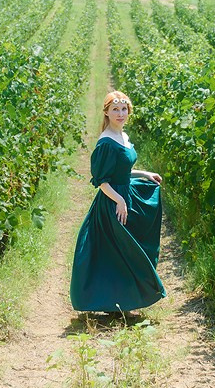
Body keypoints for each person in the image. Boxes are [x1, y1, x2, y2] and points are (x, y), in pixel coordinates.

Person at [70, 90, 167, 314]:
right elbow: (102, 181)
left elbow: (123, 171)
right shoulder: (105, 142)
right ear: (106, 112)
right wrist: (119, 200)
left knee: (127, 252)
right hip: (112, 202)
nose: (120, 113)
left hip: (125, 196)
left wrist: (145, 175)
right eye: (115, 109)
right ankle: (110, 303)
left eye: (124, 109)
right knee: (116, 253)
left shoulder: (122, 136)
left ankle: (125, 302)